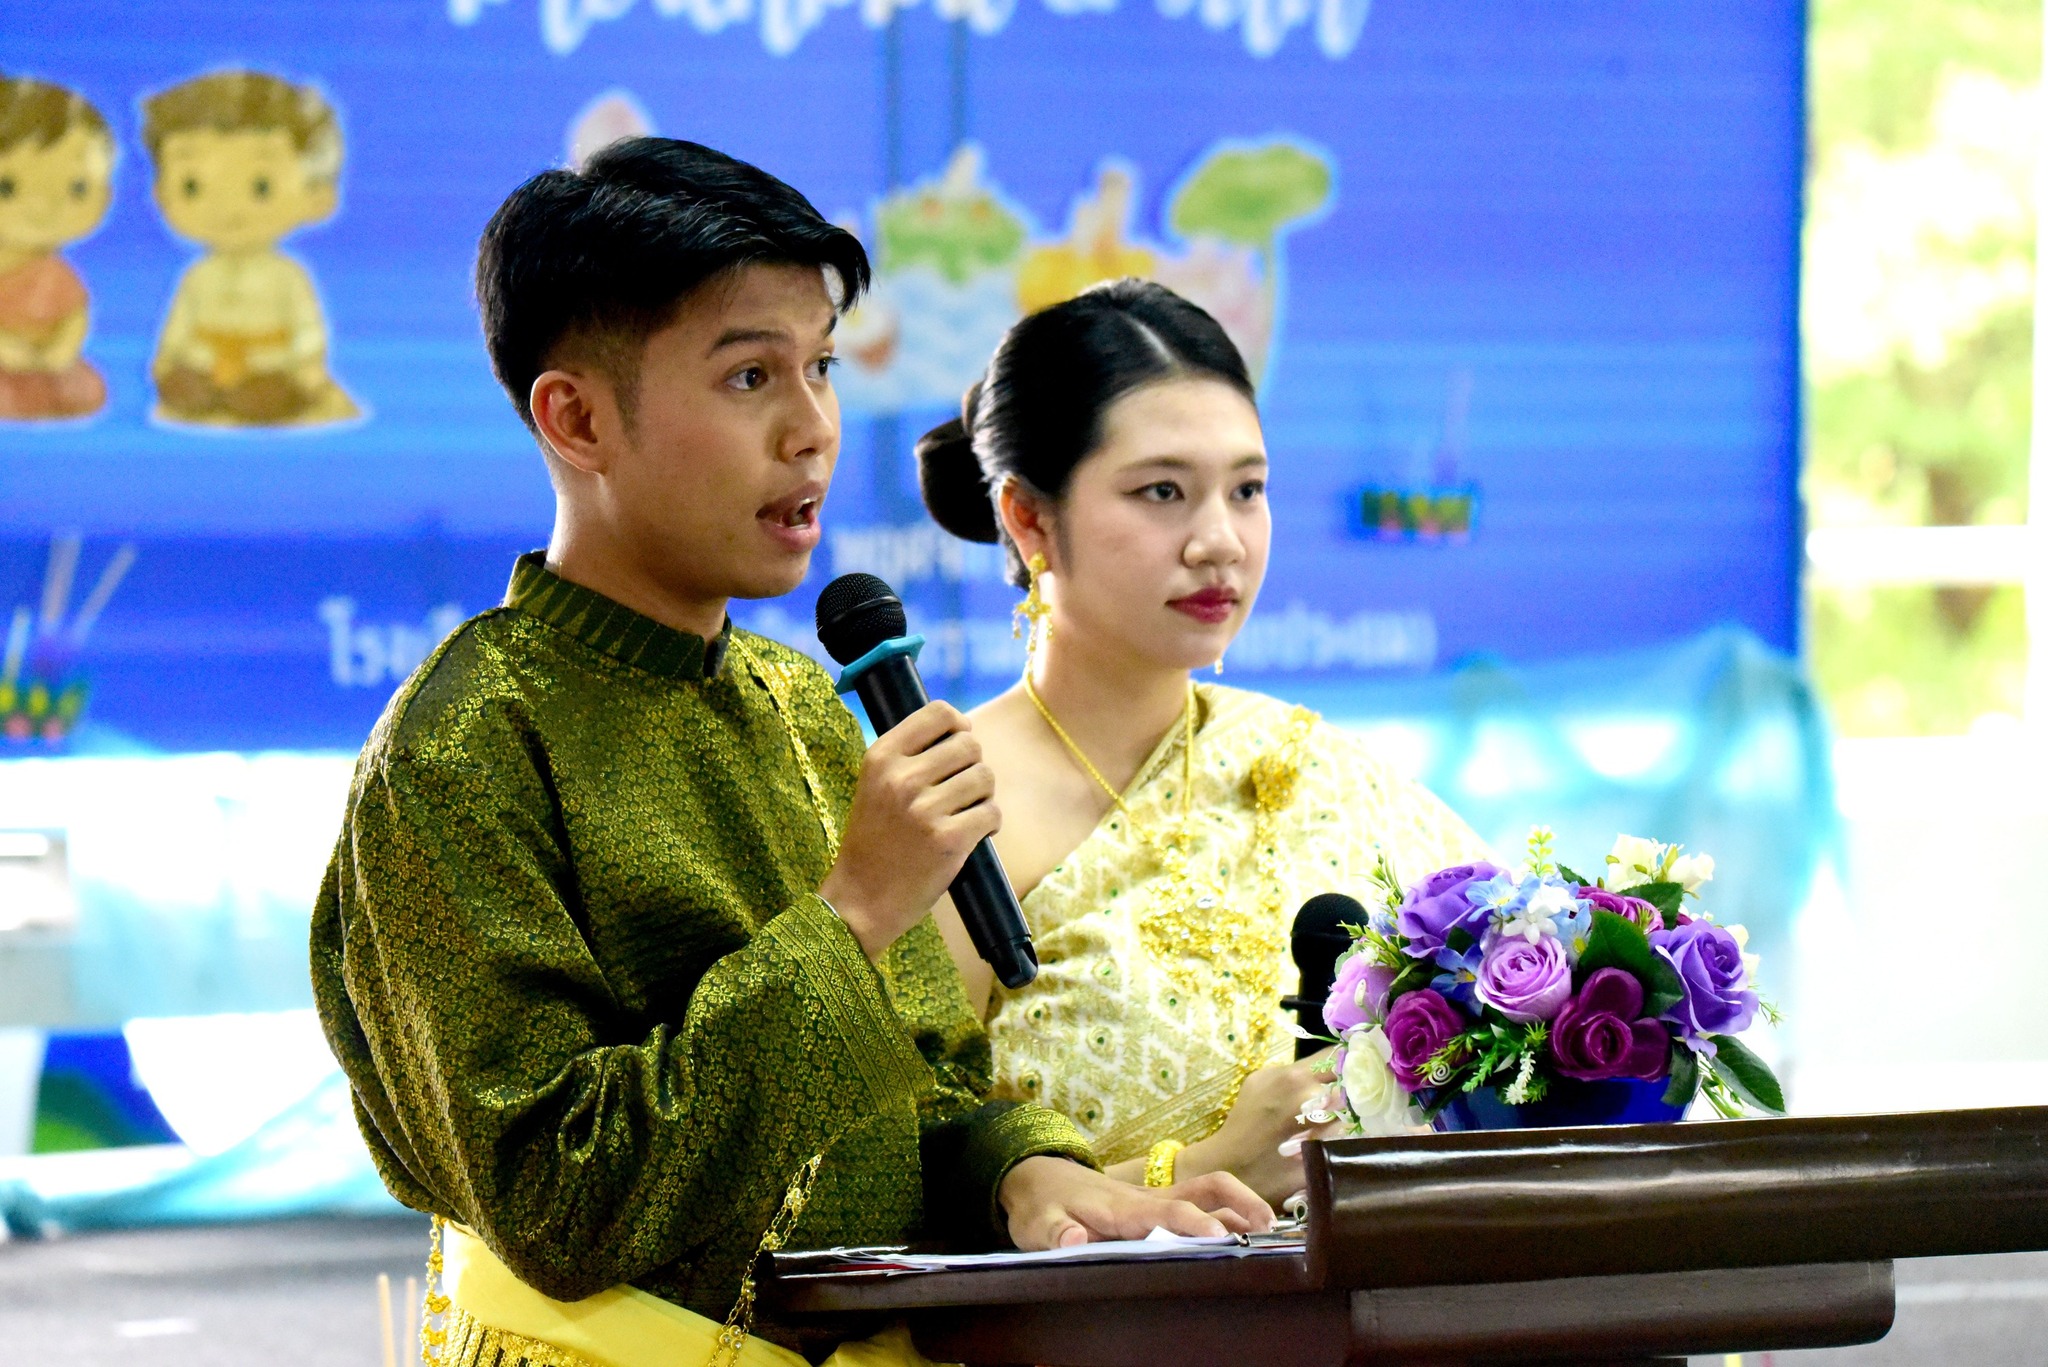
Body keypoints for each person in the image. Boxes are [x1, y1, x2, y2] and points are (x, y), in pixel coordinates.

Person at [309, 144, 1267, 1367]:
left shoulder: (802, 703)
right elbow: (558, 1199)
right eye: (749, 375)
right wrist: (852, 909)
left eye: (820, 367)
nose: (811, 429)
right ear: (577, 417)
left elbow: (923, 1086)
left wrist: (1027, 1174)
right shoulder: (464, 745)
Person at [916, 279, 1488, 1204]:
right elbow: (889, 1190)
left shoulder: (1317, 768)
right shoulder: (946, 814)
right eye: (1163, 492)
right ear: (1028, 516)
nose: (1219, 541)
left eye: (1247, 489)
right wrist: (1186, 1172)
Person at [141, 69, 358, 427]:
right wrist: (167, 360)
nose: (227, 208)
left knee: (268, 396)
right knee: (185, 390)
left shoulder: (288, 276)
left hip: (268, 365)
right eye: (193, 186)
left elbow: (307, 328)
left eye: (261, 186)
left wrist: (307, 366)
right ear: (161, 194)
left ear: (318, 195)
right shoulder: (199, 276)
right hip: (205, 365)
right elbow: (179, 324)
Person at [0, 74, 113, 421]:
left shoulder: (56, 274)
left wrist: (62, 349)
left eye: (76, 188)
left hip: (45, 361)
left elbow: (74, 316)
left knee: (82, 389)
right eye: (8, 187)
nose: (42, 209)